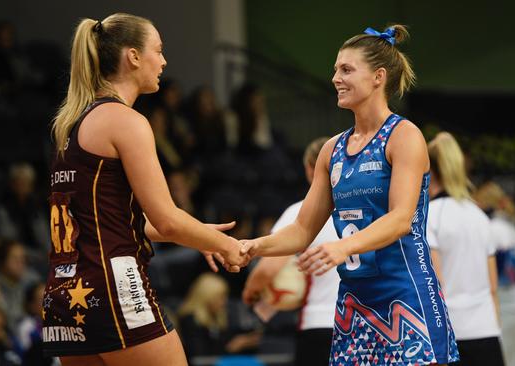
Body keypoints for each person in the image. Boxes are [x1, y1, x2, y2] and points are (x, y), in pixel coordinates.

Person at [241, 25, 459, 365]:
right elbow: (301, 230)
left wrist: (342, 247)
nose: (335, 79)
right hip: (354, 307)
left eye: (346, 69)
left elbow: (401, 219)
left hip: (407, 296)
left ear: (378, 77)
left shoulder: (404, 136)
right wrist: (252, 246)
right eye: (335, 70)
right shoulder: (332, 150)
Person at [44, 13, 249, 366]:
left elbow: (115, 219)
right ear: (133, 56)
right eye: (159, 49)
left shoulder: (73, 123)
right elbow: (166, 220)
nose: (164, 61)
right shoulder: (126, 121)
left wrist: (199, 235)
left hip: (65, 296)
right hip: (112, 286)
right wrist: (225, 244)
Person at [242, 136, 340, 366]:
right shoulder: (364, 210)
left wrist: (251, 292)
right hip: (363, 323)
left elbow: (268, 269)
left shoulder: (299, 212)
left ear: (309, 169)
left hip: (319, 323)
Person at [426, 132, 504, 366]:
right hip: (487, 332)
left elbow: (433, 286)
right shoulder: (479, 216)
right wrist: (495, 326)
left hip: (450, 336)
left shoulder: (430, 216)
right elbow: (492, 288)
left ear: (429, 172)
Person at [473, 181, 515, 366]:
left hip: (499, 299)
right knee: (513, 357)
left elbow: (493, 268)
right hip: (513, 300)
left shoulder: (494, 228)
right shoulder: (514, 230)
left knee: (502, 356)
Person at [177, 273, 260, 361]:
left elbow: (227, 337)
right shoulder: (190, 320)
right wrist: (233, 346)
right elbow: (200, 355)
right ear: (207, 297)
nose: (224, 302)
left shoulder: (217, 317)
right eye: (220, 297)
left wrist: (245, 340)